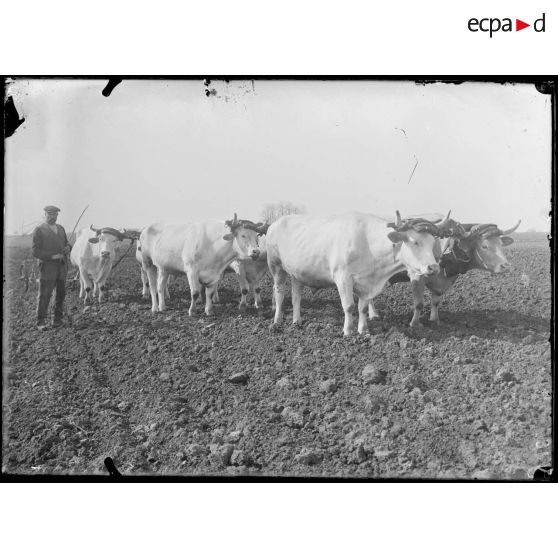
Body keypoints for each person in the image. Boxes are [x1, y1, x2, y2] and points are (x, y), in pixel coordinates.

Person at [32, 206, 72, 330]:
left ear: (57, 216)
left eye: (54, 215)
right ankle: (41, 322)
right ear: (44, 214)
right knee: (45, 294)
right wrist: (52, 256)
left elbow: (67, 243)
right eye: (49, 214)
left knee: (60, 294)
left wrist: (68, 248)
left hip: (61, 267)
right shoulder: (39, 230)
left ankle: (57, 320)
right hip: (48, 267)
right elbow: (35, 251)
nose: (52, 217)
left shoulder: (61, 228)